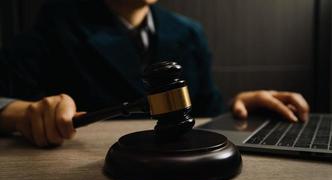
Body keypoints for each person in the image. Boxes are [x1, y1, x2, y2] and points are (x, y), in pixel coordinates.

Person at [0, 0, 309, 147]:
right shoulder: (55, 24)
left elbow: (203, 113)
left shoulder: (188, 32)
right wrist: (22, 113)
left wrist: (239, 106)